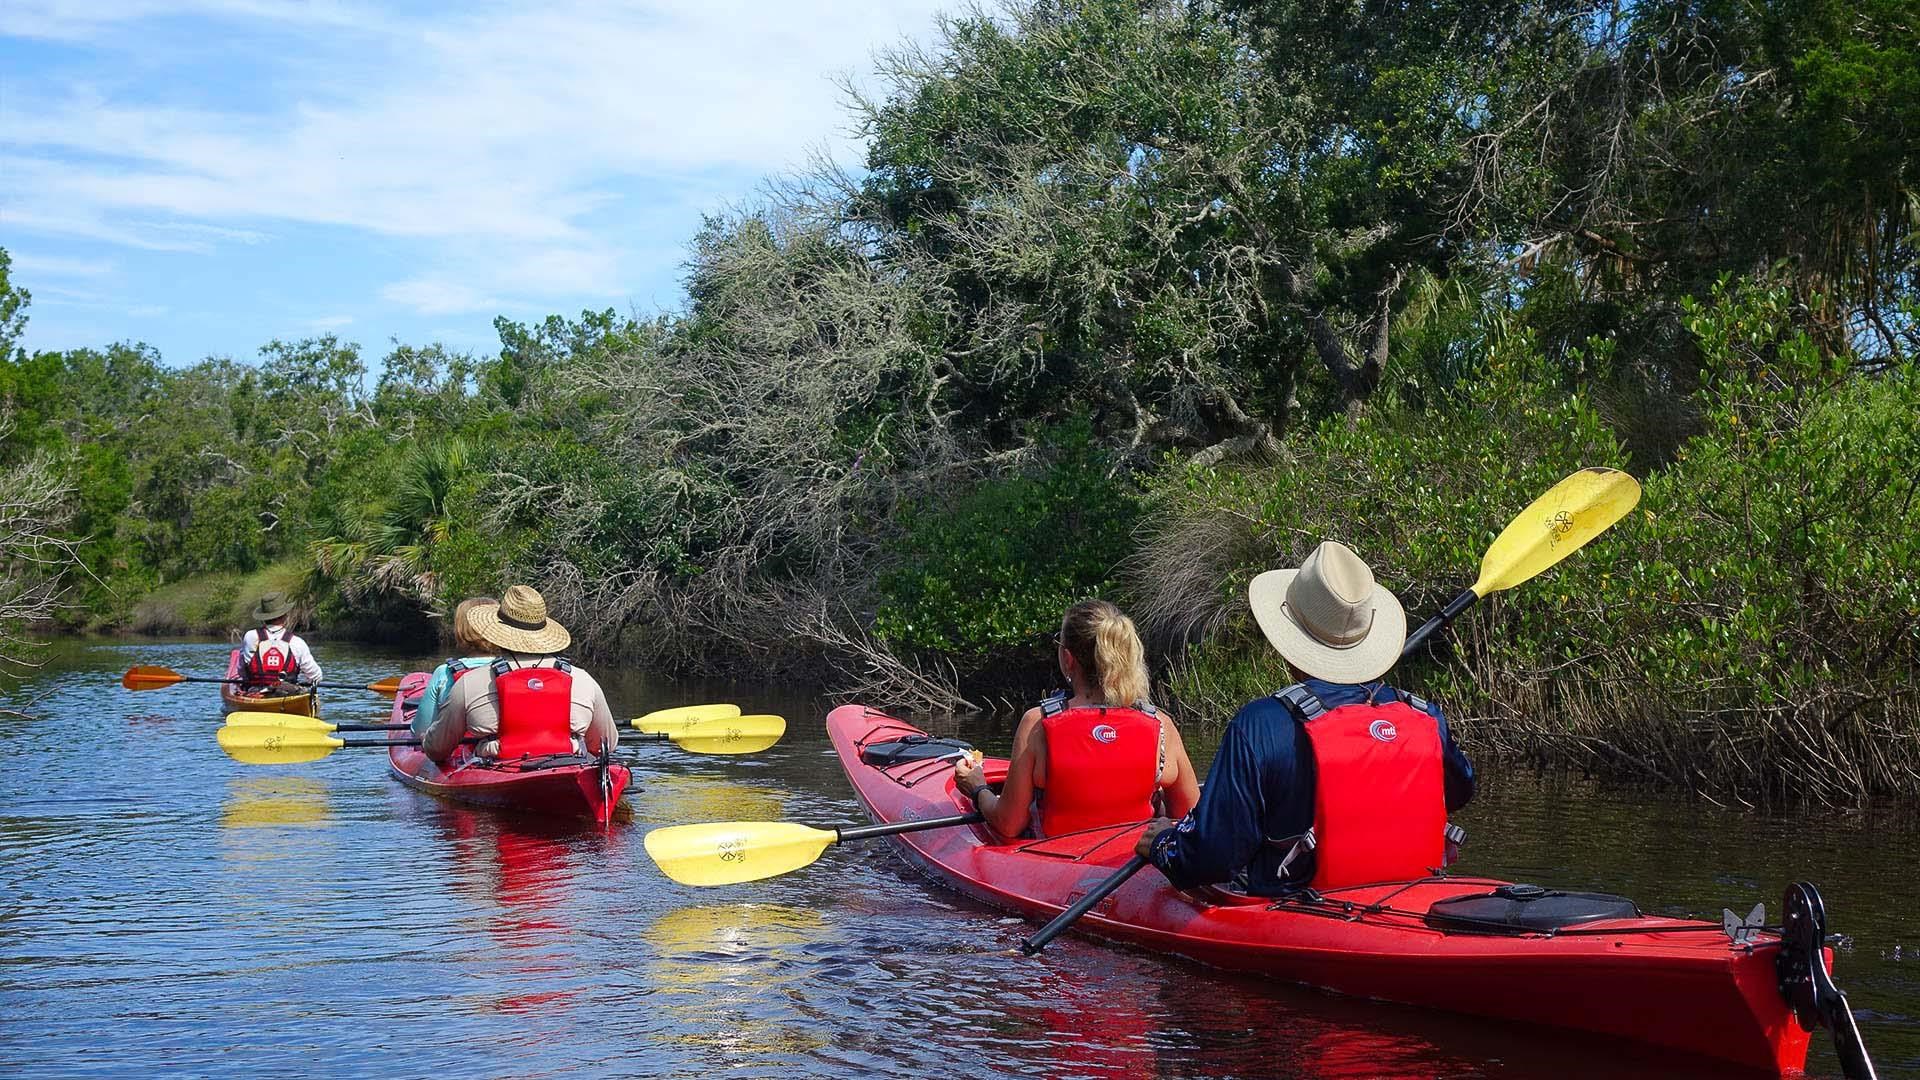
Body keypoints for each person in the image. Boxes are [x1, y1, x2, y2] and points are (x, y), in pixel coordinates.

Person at [1135, 541, 1475, 895]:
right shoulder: (1425, 717)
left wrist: (1164, 844)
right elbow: (1459, 792)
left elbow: (1212, 858)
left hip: (1296, 910)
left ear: (1290, 639)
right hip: (1409, 896)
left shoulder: (1260, 726)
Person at [953, 599, 1199, 839]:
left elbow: (1009, 824)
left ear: (1068, 659)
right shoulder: (1161, 725)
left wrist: (978, 788)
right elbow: (1191, 818)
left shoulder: (1036, 724)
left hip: (1057, 865)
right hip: (1134, 862)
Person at [420, 585, 620, 764]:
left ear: (498, 630)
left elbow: (437, 749)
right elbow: (606, 744)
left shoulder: (469, 683)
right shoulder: (583, 679)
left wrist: (425, 739)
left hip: (500, 770)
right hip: (567, 765)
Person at [408, 596, 497, 738]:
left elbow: (421, 731)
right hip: (501, 750)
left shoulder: (444, 673)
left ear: (460, 630)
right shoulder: (512, 668)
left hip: (455, 751)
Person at [239, 591, 322, 690]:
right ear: (285, 616)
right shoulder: (297, 642)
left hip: (256, 692)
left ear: (264, 617)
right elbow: (316, 677)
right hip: (286, 693)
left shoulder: (250, 636)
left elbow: (242, 670)